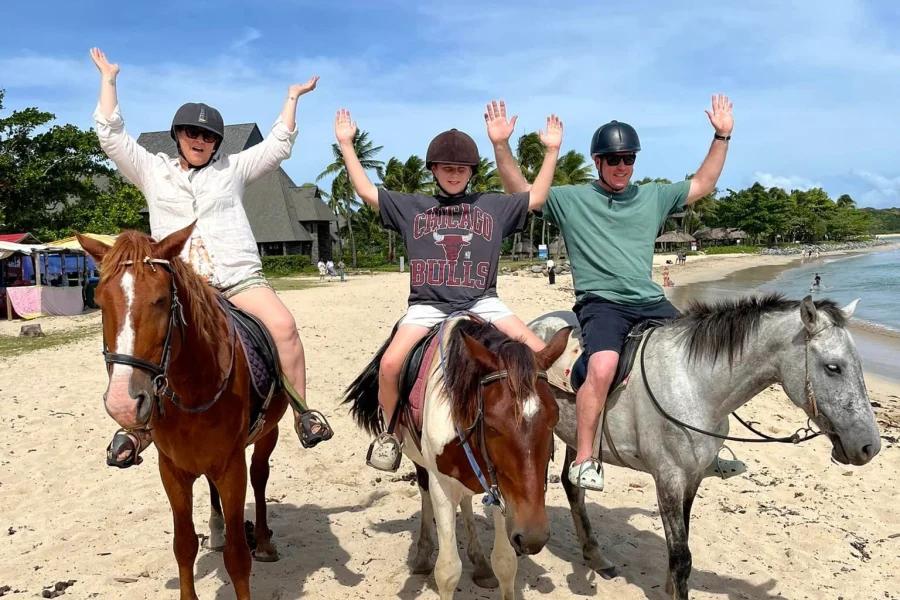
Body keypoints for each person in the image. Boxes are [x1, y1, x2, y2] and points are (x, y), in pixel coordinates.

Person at [89, 47, 333, 468]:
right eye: (191, 134)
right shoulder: (152, 170)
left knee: (284, 327)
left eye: (207, 137)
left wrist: (292, 98)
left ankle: (300, 411)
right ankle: (137, 426)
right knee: (143, 337)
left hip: (238, 278)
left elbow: (277, 147)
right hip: (181, 285)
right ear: (177, 136)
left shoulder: (232, 170)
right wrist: (109, 79)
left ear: (217, 143)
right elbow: (111, 137)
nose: (199, 141)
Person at [490, 95, 744, 490]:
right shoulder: (571, 199)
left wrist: (722, 135)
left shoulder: (654, 196)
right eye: (614, 159)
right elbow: (520, 191)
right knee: (604, 366)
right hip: (602, 304)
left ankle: (710, 448)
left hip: (650, 300)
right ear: (597, 162)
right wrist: (502, 145)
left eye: (629, 159)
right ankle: (586, 457)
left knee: (706, 356)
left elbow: (704, 182)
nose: (622, 166)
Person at [334, 107, 562, 471]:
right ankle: (390, 435)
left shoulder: (491, 206)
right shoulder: (413, 207)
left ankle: (538, 432)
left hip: (484, 302)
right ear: (433, 171)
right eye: (446, 168)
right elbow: (364, 190)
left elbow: (535, 197)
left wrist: (551, 151)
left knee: (541, 354)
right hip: (428, 306)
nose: (454, 175)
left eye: (461, 169)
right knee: (391, 363)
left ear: (471, 172)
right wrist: (346, 143)